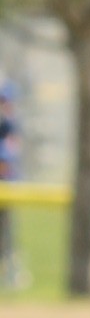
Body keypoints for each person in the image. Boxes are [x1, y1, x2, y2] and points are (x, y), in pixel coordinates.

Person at [0, 78, 24, 291]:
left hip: (6, 188)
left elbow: (8, 158)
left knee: (7, 234)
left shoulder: (10, 126)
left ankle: (12, 273)